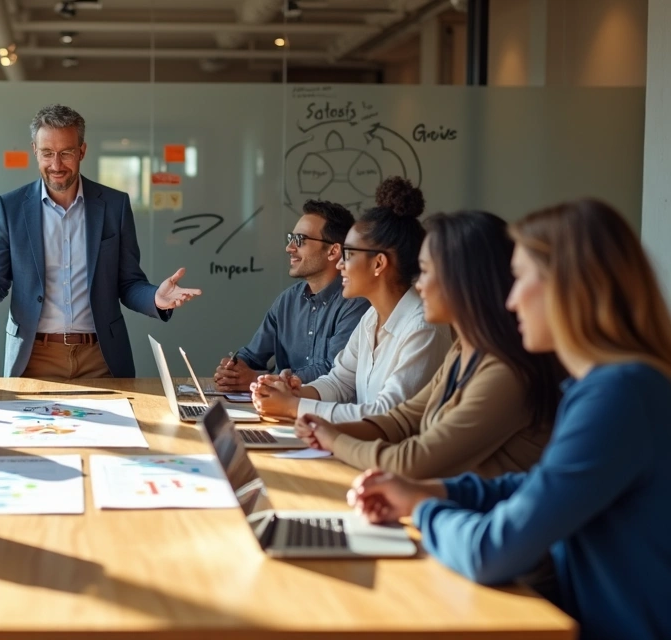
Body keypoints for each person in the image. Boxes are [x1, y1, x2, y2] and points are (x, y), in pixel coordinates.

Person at [346, 199, 671, 640]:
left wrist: (423, 508)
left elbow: (491, 551)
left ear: (569, 288)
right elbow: (539, 486)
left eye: (520, 280)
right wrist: (431, 490)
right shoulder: (610, 386)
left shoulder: (619, 395)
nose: (510, 298)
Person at [0, 104, 201, 379]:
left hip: (101, 357)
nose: (56, 165)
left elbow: (127, 283)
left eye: (66, 153)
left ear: (82, 151)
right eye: (47, 153)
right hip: (34, 357)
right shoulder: (11, 207)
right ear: (35, 150)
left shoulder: (114, 206)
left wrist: (156, 298)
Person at [294, 211, 561, 479]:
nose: (419, 286)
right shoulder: (461, 353)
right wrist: (323, 428)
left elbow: (414, 460)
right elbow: (402, 420)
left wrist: (333, 439)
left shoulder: (505, 372)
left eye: (426, 272)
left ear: (465, 280)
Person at [251, 177, 452, 421]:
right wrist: (297, 392)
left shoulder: (422, 326)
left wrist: (293, 407)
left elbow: (386, 414)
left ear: (378, 263)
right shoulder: (372, 317)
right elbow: (340, 381)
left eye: (348, 254)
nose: (340, 264)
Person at [212, 200, 369, 391]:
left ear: (333, 251)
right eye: (291, 238)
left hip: (323, 414)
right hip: (276, 409)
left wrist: (258, 378)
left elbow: (335, 373)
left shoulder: (355, 302)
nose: (289, 248)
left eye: (300, 240)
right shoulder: (288, 300)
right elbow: (253, 356)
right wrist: (233, 370)